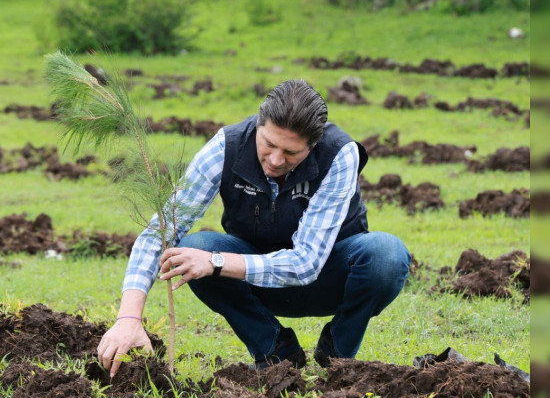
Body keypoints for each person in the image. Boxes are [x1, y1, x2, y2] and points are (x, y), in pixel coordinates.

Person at [97, 79, 411, 377]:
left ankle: (338, 356)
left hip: (328, 276)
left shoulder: (340, 155)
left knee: (387, 254)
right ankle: (274, 351)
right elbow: (162, 231)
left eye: (291, 153)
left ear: (312, 145)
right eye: (269, 144)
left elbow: (305, 264)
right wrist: (128, 318)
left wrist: (218, 263)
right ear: (258, 124)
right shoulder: (228, 145)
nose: (275, 160)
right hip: (253, 280)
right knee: (197, 248)